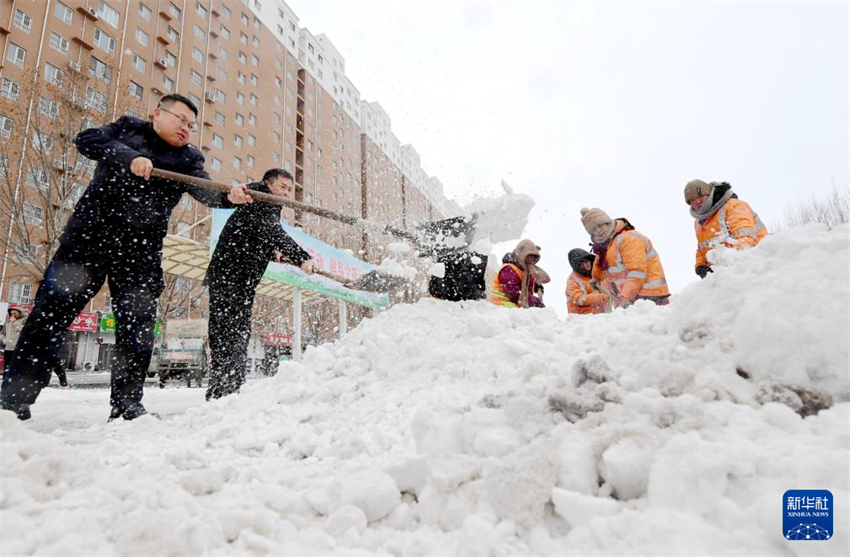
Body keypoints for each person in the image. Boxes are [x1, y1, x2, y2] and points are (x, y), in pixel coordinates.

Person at [0, 94, 252, 421]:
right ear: (157, 114)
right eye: (181, 120)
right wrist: (129, 157)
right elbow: (87, 140)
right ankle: (13, 400)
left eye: (191, 125)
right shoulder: (127, 129)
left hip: (140, 253)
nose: (186, 129)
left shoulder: (189, 158)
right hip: (89, 241)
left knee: (137, 330)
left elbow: (204, 189)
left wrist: (228, 196)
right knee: (49, 318)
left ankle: (127, 405)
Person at [205, 168, 315, 400]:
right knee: (229, 333)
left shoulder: (266, 202)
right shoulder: (258, 194)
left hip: (240, 279)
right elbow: (272, 230)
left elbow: (257, 234)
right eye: (282, 187)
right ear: (268, 183)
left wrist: (275, 254)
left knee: (234, 332)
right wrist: (302, 256)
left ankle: (225, 388)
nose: (285, 193)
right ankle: (226, 389)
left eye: (289, 189)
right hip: (230, 276)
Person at [580, 207, 670, 308]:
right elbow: (604, 267)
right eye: (593, 230)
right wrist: (596, 279)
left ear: (607, 222)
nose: (598, 231)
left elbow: (637, 273)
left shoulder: (628, 239)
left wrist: (625, 299)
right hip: (632, 298)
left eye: (600, 225)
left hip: (650, 297)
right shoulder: (605, 246)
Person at [684, 179, 768, 278]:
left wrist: (723, 264)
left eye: (700, 196)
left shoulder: (733, 206)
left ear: (709, 194)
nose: (697, 201)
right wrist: (701, 265)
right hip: (725, 274)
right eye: (692, 200)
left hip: (756, 266)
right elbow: (702, 247)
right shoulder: (698, 222)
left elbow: (747, 240)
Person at [488, 239, 551, 308]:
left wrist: (535, 285)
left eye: (534, 257)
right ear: (521, 254)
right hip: (501, 308)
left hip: (514, 310)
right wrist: (536, 303)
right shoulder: (508, 270)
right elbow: (515, 294)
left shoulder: (525, 270)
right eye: (529, 256)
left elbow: (523, 282)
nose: (531, 259)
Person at [566, 249, 612, 315]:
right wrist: (600, 297)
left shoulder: (596, 274)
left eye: (587, 261)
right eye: (582, 263)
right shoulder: (573, 280)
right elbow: (578, 299)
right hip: (582, 318)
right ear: (577, 266)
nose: (586, 265)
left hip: (600, 316)